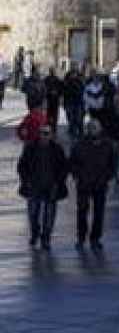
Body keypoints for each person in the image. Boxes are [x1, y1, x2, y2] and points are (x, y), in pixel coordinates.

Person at [19, 100, 69, 251]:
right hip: (34, 185)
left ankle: (46, 237)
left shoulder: (57, 150)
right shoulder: (31, 148)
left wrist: (59, 182)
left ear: (51, 135)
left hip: (51, 186)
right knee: (33, 213)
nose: (43, 136)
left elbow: (63, 167)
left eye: (46, 133)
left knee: (49, 215)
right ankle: (35, 233)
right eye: (41, 133)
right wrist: (25, 180)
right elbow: (22, 166)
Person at [68, 118, 116, 251]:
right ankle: (81, 237)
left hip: (100, 183)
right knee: (82, 211)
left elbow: (112, 163)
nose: (92, 130)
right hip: (84, 184)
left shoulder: (107, 144)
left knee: (99, 212)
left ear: (100, 129)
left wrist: (108, 177)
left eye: (95, 127)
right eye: (90, 128)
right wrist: (78, 176)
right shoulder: (80, 145)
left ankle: (95, 238)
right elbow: (72, 163)